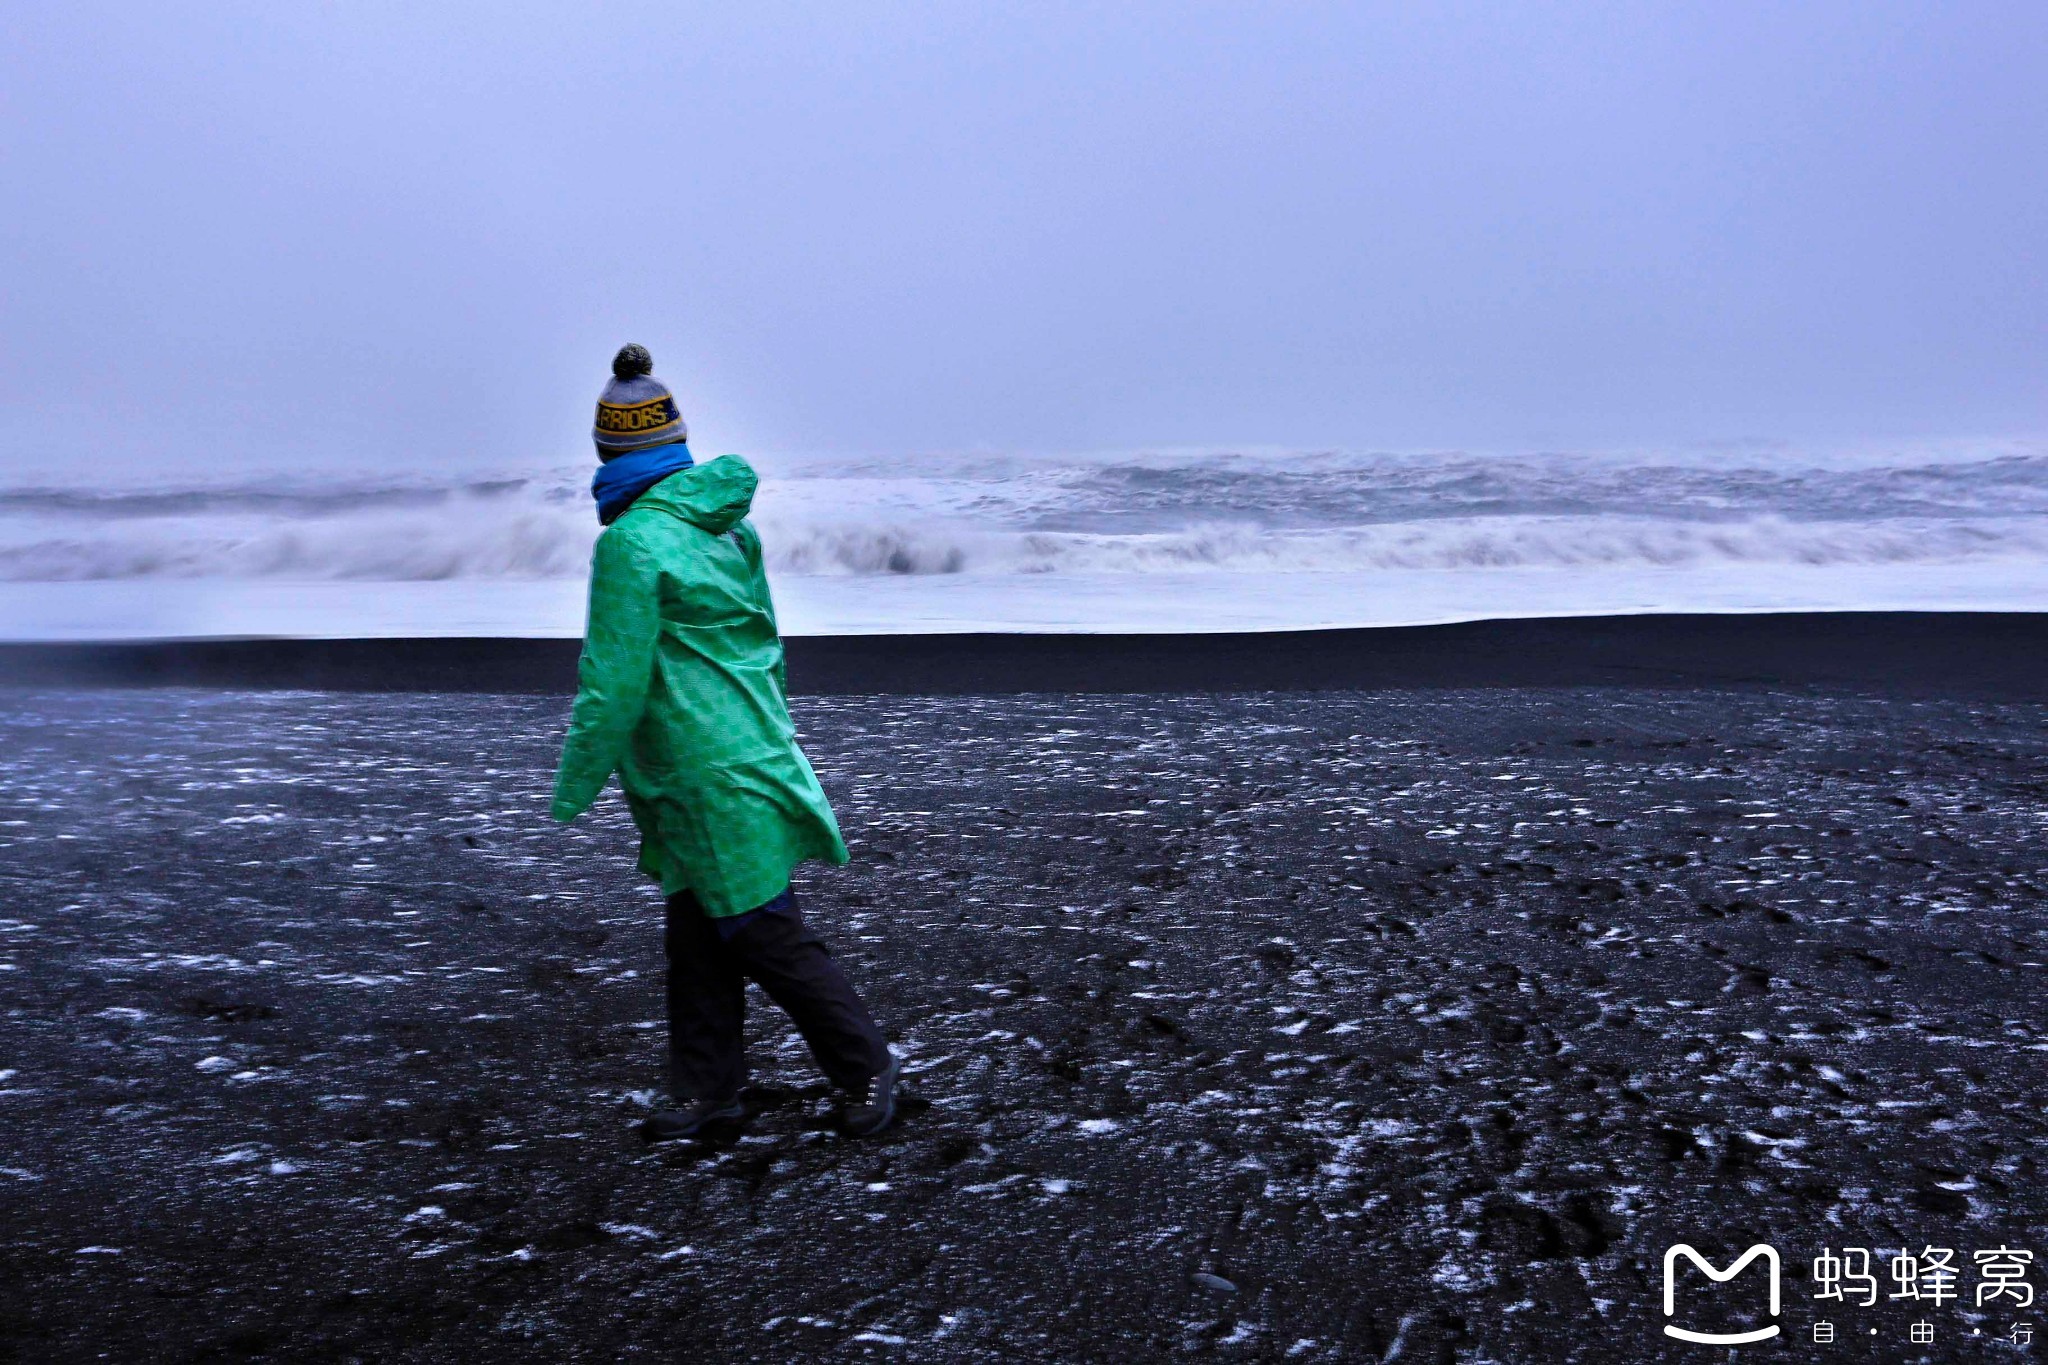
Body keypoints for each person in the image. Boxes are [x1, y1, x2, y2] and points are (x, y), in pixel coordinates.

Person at [551, 343, 899, 1142]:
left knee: (757, 923)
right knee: (700, 926)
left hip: (698, 764)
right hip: (751, 741)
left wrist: (574, 785)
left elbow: (614, 682)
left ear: (607, 451)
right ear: (675, 442)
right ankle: (708, 1091)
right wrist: (766, 725)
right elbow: (765, 641)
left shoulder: (631, 544)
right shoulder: (731, 531)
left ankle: (863, 1063)